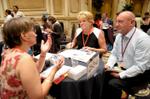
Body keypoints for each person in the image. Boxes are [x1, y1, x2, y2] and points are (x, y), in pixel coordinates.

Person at [0, 17, 64, 99]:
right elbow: (38, 96)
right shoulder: (24, 59)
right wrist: (54, 71)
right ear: (24, 36)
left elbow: (35, 71)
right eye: (33, 30)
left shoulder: (8, 52)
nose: (36, 34)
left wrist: (43, 53)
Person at [103, 11, 150, 99]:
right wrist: (108, 65)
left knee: (112, 84)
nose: (116, 25)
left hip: (139, 74)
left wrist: (121, 75)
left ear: (132, 22)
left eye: (120, 22)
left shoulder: (143, 39)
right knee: (102, 76)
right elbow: (114, 54)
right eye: (116, 21)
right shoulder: (119, 36)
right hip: (122, 68)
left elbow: (140, 67)